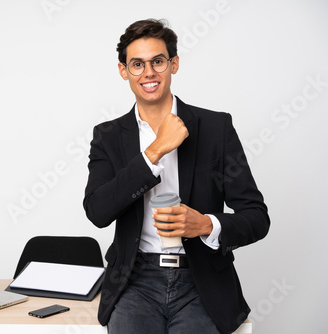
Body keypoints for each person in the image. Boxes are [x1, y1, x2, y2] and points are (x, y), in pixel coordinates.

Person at [83, 19, 270, 334]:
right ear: (123, 71)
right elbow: (97, 211)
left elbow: (257, 217)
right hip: (134, 280)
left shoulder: (216, 128)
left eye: (157, 61)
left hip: (201, 282)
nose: (149, 73)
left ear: (174, 64)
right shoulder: (108, 136)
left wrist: (206, 224)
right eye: (137, 64)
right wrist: (155, 150)